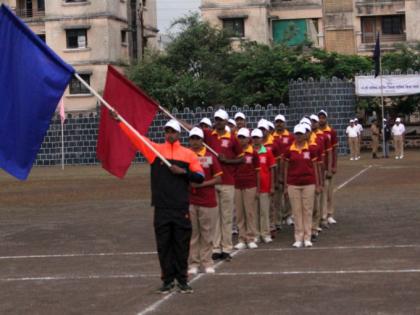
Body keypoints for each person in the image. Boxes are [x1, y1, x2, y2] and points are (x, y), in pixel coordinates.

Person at [113, 113, 204, 294]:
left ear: (178, 134)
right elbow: (136, 137)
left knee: (181, 245)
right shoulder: (154, 151)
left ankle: (182, 280)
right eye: (167, 131)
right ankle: (167, 280)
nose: (170, 134)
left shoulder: (188, 155)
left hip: (180, 208)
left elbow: (200, 177)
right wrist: (119, 121)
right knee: (164, 246)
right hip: (161, 207)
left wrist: (183, 172)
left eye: (173, 132)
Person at [203, 109, 244, 261]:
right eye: (216, 119)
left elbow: (241, 158)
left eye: (221, 119)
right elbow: (190, 128)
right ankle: (216, 247)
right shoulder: (209, 135)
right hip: (214, 181)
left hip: (228, 182)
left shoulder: (233, 139)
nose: (218, 122)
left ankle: (226, 247)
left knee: (226, 217)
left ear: (226, 121)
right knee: (215, 217)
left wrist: (227, 161)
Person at [188, 127, 223, 275]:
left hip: (207, 201)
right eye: (193, 139)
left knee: (207, 234)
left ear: (202, 140)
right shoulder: (186, 156)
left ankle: (207, 262)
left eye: (198, 139)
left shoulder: (210, 157)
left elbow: (219, 178)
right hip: (191, 200)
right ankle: (194, 263)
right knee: (194, 234)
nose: (195, 142)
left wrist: (201, 184)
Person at [284, 124, 321, 248]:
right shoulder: (290, 150)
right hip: (293, 183)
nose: (299, 136)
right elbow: (286, 168)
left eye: (301, 134)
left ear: (305, 135)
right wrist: (285, 184)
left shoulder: (311, 149)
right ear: (294, 135)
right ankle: (298, 237)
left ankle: (307, 237)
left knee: (307, 210)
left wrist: (317, 183)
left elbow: (315, 166)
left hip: (308, 183)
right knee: (296, 211)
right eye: (297, 134)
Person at [234, 128, 260, 250]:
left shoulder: (253, 153)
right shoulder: (234, 152)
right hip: (237, 185)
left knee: (249, 212)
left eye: (243, 137)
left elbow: (257, 171)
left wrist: (258, 188)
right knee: (240, 214)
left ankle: (251, 238)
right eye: (239, 137)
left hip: (250, 185)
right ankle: (241, 238)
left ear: (248, 138)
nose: (241, 140)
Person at [252, 128, 276, 243]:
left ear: (262, 139)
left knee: (264, 212)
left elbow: (272, 169)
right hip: (252, 187)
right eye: (254, 137)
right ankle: (256, 234)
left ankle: (265, 233)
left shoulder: (267, 152)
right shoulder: (249, 152)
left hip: (265, 186)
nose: (256, 140)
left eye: (258, 137)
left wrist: (272, 186)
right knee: (255, 212)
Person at [272, 114, 294, 229]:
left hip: (288, 168)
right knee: (277, 196)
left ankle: (288, 215)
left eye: (281, 122)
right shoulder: (271, 136)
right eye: (277, 122)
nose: (279, 124)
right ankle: (278, 218)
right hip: (275, 168)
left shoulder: (290, 136)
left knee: (288, 194)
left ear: (284, 123)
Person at [318, 110, 338, 226]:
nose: (321, 120)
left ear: (326, 119)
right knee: (322, 192)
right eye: (320, 117)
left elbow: (334, 150)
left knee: (329, 191)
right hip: (319, 166)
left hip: (327, 166)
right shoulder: (315, 133)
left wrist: (333, 166)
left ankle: (330, 214)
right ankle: (323, 214)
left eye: (323, 117)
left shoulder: (331, 132)